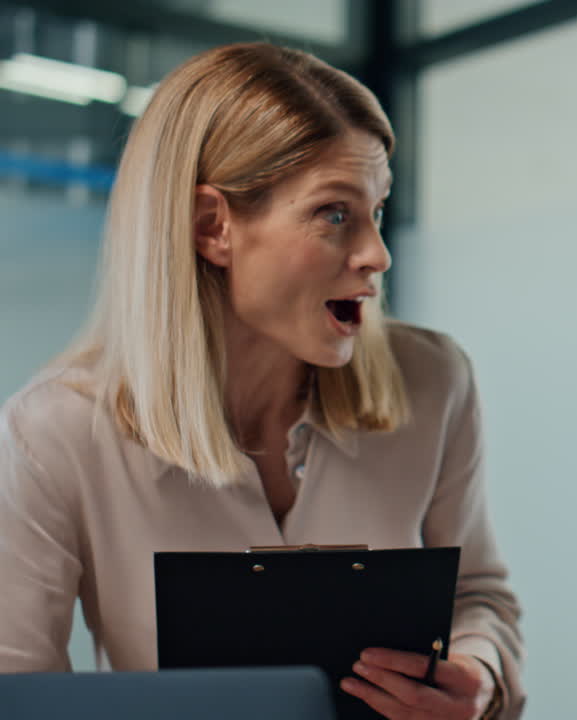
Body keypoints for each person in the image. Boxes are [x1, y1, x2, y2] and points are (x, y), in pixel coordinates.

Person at [0, 43, 523, 720]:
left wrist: (478, 678)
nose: (377, 255)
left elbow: (480, 595)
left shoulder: (435, 382)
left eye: (377, 211)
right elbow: (16, 695)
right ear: (211, 227)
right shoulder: (54, 432)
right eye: (335, 214)